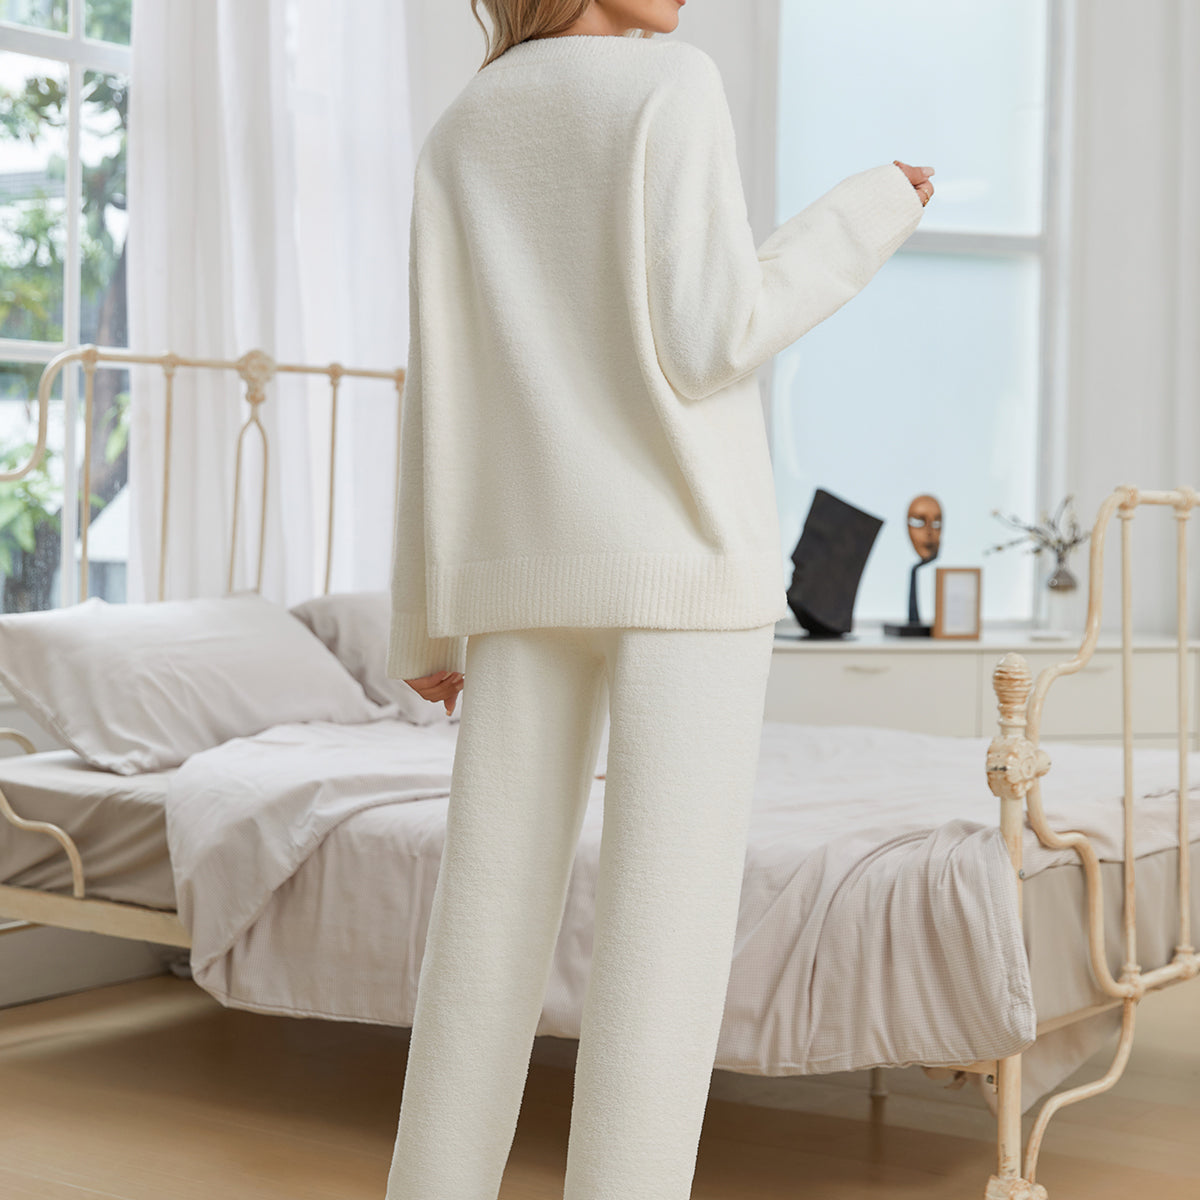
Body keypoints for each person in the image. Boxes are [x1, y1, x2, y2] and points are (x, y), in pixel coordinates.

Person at [384, 1, 934, 1196]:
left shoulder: (464, 125)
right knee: (661, 940)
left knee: (480, 938)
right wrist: (869, 210)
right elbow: (714, 335)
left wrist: (423, 624)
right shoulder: (666, 86)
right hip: (684, 567)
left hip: (522, 577)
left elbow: (438, 386)